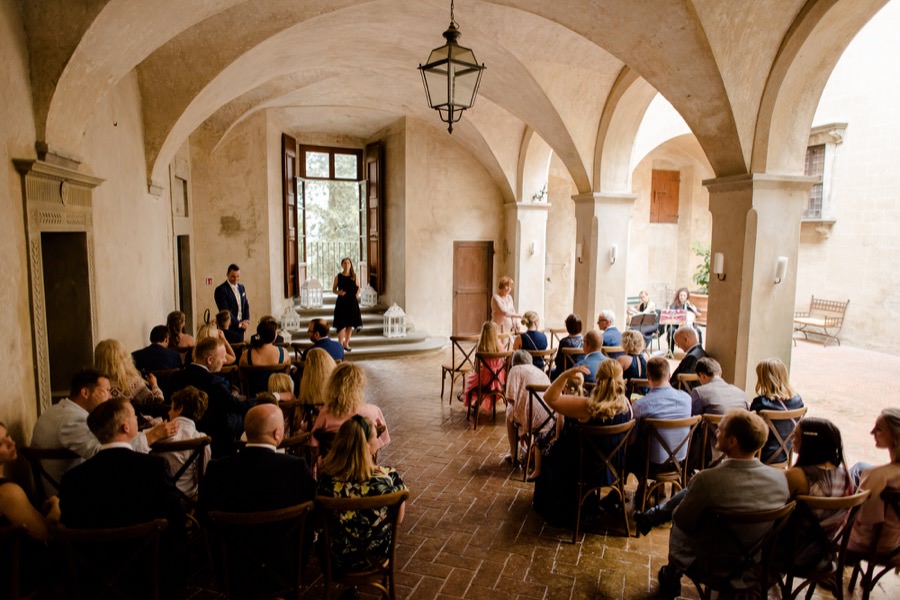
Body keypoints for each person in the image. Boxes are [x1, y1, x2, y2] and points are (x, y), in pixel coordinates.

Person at [656, 409, 790, 597]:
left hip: (711, 565)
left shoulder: (707, 480)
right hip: (755, 564)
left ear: (732, 441)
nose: (716, 433)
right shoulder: (780, 479)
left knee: (677, 523)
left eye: (720, 430)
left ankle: (672, 577)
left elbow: (683, 520)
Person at [532, 359, 633, 527]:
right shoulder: (627, 406)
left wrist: (566, 374)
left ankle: (556, 505)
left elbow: (550, 398)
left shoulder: (588, 406)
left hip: (582, 468)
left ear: (598, 379)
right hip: (613, 468)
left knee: (552, 451)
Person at [32, 368, 176, 485]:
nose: (109, 397)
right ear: (85, 393)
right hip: (73, 494)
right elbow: (108, 455)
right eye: (105, 391)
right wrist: (152, 436)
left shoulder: (61, 410)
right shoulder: (71, 421)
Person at [59, 399, 185, 531]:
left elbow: (71, 530)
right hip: (150, 550)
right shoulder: (155, 468)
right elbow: (178, 519)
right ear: (125, 427)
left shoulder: (71, 479)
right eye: (133, 414)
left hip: (93, 551)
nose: (137, 417)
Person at [316, 415, 407, 572]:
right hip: (376, 558)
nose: (378, 442)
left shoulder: (326, 482)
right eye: (375, 438)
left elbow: (318, 521)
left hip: (336, 559)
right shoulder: (388, 478)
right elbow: (398, 519)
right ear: (366, 446)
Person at [199, 403, 316, 516]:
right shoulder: (296, 468)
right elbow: (311, 514)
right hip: (285, 535)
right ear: (277, 434)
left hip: (231, 536)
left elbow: (203, 516)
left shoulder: (217, 469)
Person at [169, 337, 250, 458]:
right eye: (222, 357)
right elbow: (237, 406)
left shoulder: (174, 377)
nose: (224, 360)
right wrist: (265, 398)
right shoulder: (214, 383)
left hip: (178, 440)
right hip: (215, 442)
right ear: (210, 360)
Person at [628, 357, 692, 478]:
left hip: (650, 465)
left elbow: (631, 440)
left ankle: (638, 489)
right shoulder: (687, 399)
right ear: (669, 376)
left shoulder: (641, 405)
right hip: (680, 461)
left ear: (648, 376)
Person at [848, 408, 900, 554]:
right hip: (897, 543)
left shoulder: (877, 476)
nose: (872, 432)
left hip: (877, 545)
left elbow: (865, 520)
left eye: (879, 429)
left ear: (896, 437)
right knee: (859, 468)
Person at [0, 421, 60, 541]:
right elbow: (45, 535)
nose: (11, 443)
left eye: (7, 435)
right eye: (0, 444)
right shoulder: (7, 491)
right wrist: (56, 506)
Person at [311, 363, 390, 451]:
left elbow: (313, 442)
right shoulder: (374, 411)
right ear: (360, 386)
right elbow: (381, 442)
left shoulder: (325, 413)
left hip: (333, 463)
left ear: (332, 385)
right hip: (363, 462)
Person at [504, 350, 553, 475]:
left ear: (515, 363)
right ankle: (527, 448)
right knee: (518, 409)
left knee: (509, 411)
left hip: (530, 416)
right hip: (548, 417)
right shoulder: (540, 372)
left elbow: (510, 398)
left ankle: (514, 454)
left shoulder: (514, 370)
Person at [749, 357, 804, 464]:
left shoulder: (761, 403)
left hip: (762, 456)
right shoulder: (798, 400)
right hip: (786, 454)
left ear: (763, 379)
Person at [95, 338, 167, 419]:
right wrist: (154, 385)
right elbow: (157, 403)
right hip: (134, 426)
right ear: (123, 358)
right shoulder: (133, 382)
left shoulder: (95, 386)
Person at [161, 386, 211, 499]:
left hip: (160, 498)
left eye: (171, 408)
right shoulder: (201, 439)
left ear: (180, 409)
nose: (168, 412)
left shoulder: (158, 435)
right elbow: (203, 477)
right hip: (188, 499)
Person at [462, 321, 506, 414]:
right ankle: (482, 401)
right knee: (479, 380)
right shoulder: (501, 347)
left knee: (471, 381)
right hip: (499, 380)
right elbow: (503, 363)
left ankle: (477, 401)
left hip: (486, 380)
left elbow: (477, 368)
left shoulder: (481, 347)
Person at [214, 264, 251, 344]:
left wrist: (246, 321)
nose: (236, 279)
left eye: (238, 276)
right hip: (228, 329)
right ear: (227, 275)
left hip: (241, 330)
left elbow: (246, 305)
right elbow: (225, 310)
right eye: (233, 276)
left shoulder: (241, 287)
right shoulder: (221, 290)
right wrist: (239, 324)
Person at [332, 257, 362, 352]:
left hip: (352, 303)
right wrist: (338, 293)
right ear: (342, 265)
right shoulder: (338, 277)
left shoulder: (354, 276)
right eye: (345, 263)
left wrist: (356, 297)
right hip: (341, 302)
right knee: (341, 324)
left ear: (351, 264)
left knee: (350, 324)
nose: (347, 264)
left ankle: (346, 343)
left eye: (348, 263)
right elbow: (333, 290)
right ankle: (340, 345)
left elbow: (358, 288)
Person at [551, 313, 583, 381]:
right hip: (581, 373)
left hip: (564, 374)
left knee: (549, 372)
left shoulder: (564, 342)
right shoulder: (585, 341)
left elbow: (558, 362)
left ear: (567, 326)